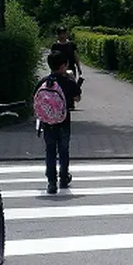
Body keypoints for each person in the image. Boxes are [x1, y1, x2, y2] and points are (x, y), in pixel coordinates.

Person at [35, 51, 82, 195]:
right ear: (64, 66)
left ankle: (51, 182)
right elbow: (77, 98)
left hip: (47, 122)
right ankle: (63, 178)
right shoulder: (68, 81)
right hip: (64, 121)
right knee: (63, 151)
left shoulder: (43, 81)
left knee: (50, 151)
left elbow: (36, 99)